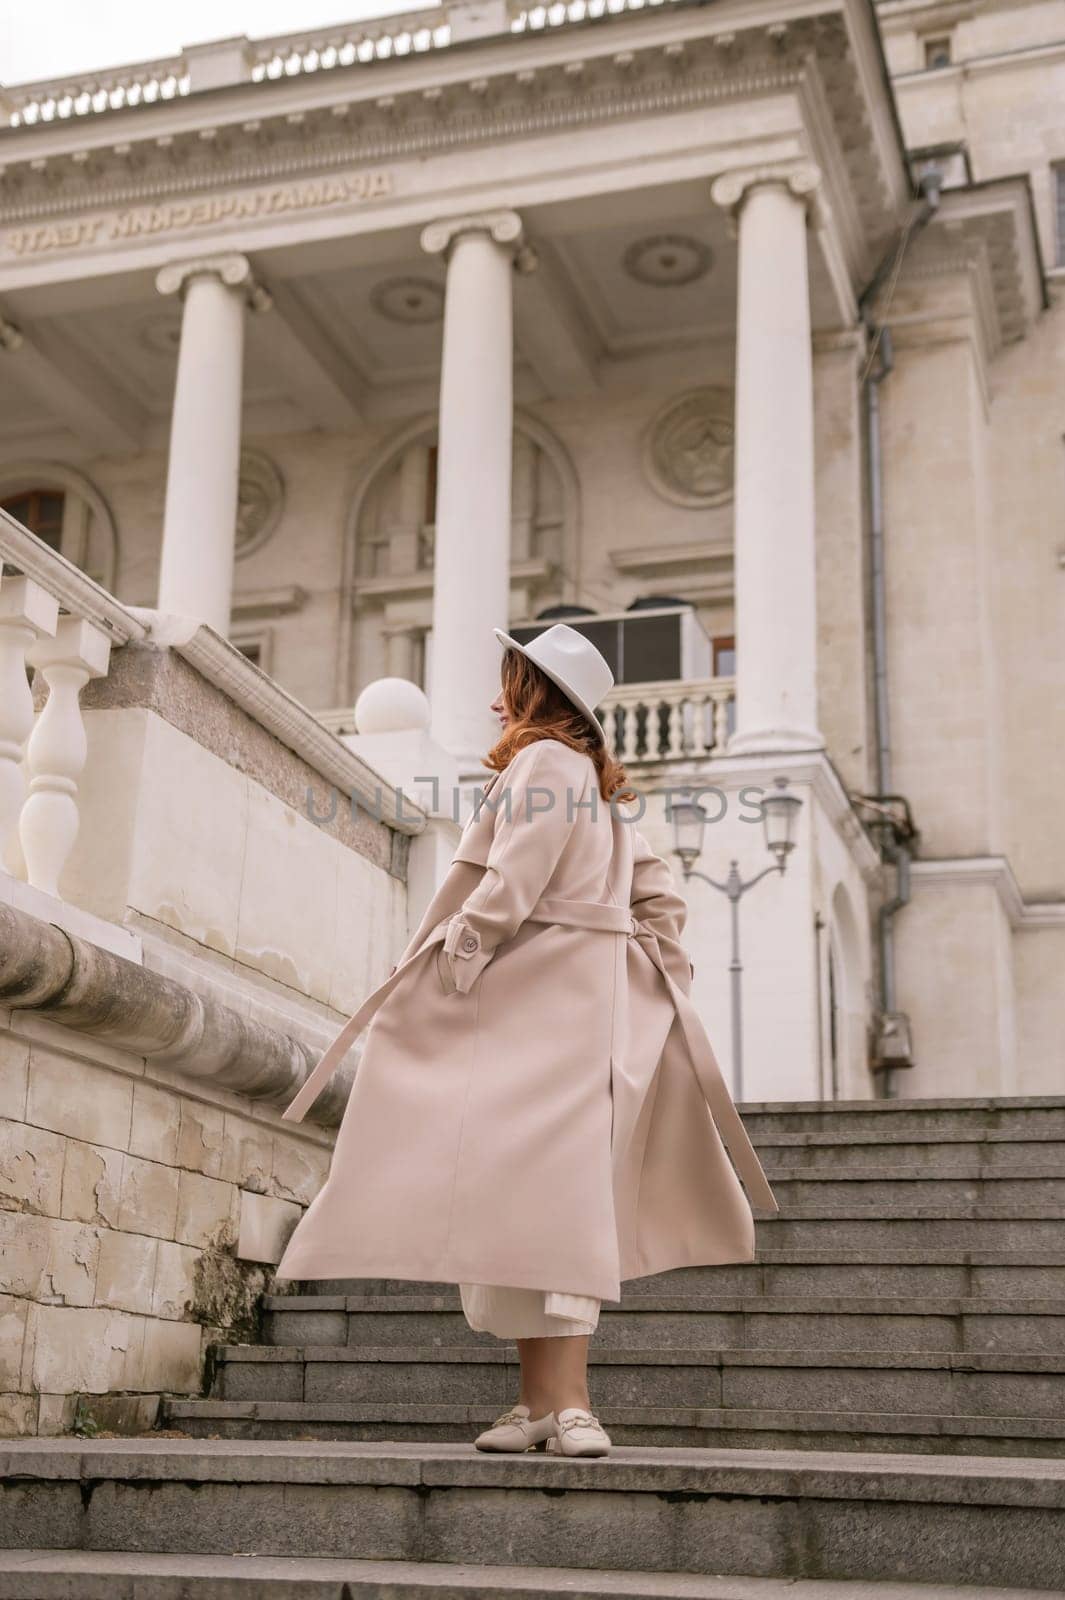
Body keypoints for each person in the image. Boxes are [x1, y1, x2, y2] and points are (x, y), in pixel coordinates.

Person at [275, 622, 778, 1460]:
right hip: (557, 1016)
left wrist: (461, 954)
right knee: (525, 1201)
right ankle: (540, 1404)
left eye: (507, 679)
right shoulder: (598, 790)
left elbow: (514, 880)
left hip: (529, 1009)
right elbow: (664, 903)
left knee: (549, 1201)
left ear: (537, 693)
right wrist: (648, 976)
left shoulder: (546, 765)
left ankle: (571, 1403)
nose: (493, 698)